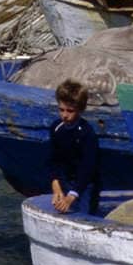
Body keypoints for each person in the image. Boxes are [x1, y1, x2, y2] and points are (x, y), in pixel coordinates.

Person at [49, 79, 101, 215]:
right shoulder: (56, 128)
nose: (65, 115)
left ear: (80, 109)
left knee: (84, 215)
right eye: (61, 110)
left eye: (70, 111)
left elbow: (88, 166)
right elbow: (53, 159)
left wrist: (72, 195)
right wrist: (56, 186)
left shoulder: (86, 133)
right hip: (65, 180)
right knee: (62, 211)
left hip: (86, 184)